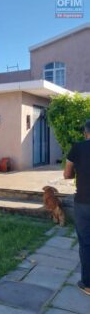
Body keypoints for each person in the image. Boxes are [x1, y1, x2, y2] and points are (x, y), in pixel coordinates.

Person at [64, 119, 90, 296]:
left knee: (86, 243)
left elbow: (67, 174)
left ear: (85, 132)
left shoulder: (77, 147)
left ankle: (87, 284)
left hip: (83, 202)